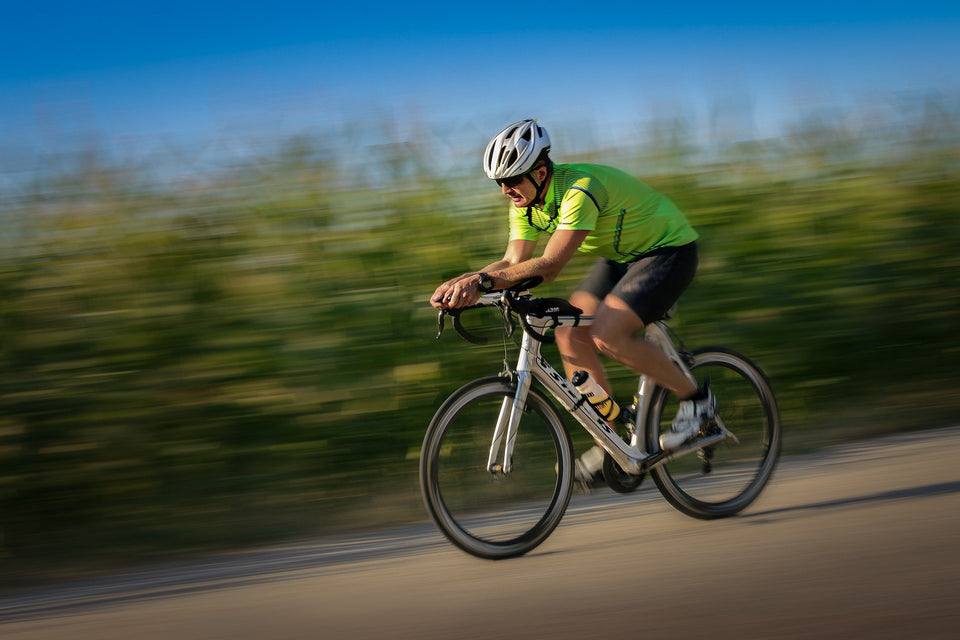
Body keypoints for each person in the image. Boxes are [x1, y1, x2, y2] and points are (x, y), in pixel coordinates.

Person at [430, 119, 715, 487]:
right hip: (622, 256)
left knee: (607, 334)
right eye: (499, 183)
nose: (505, 190)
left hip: (669, 251)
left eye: (512, 180)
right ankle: (609, 444)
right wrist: (464, 283)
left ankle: (697, 401)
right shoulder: (526, 202)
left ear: (541, 172)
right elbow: (514, 263)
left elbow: (549, 266)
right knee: (568, 330)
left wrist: (483, 282)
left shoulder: (580, 188)